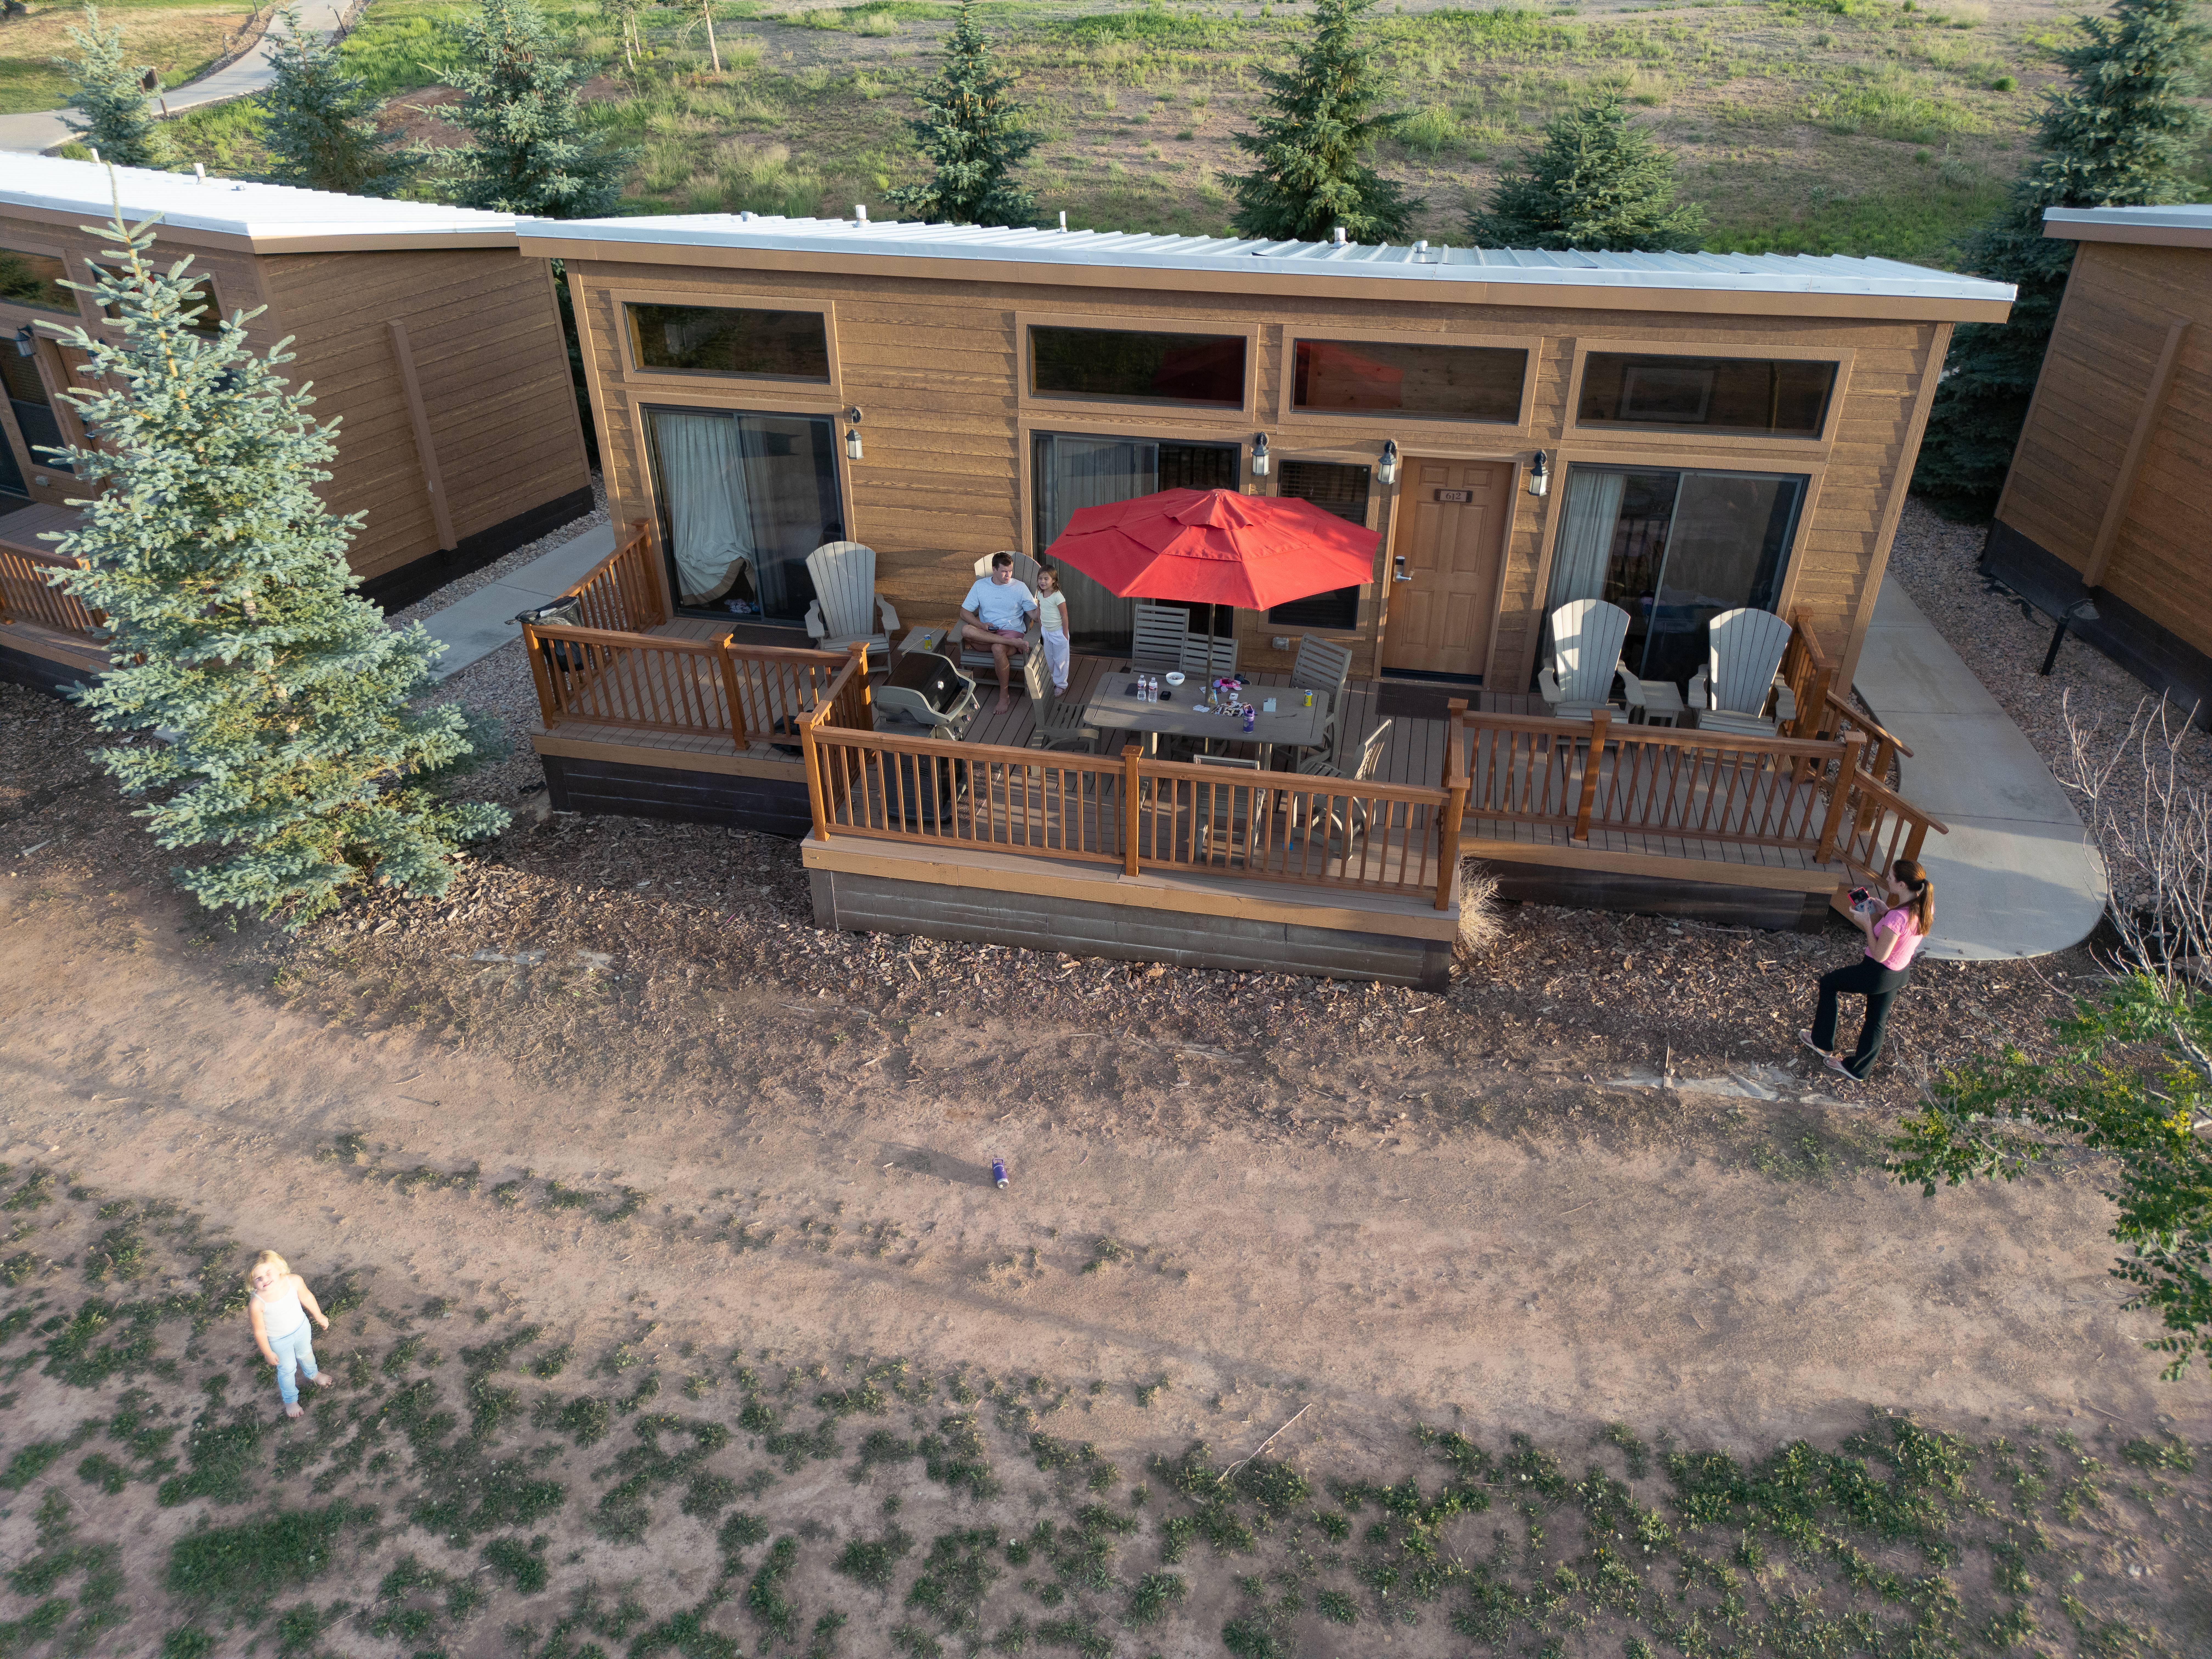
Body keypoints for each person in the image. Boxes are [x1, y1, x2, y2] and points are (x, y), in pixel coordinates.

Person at [1800, 857, 1934, 1082]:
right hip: (1899, 974)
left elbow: (1881, 954)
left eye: (1892, 877)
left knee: (1829, 983)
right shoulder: (1924, 906)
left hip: (1877, 973)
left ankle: (1822, 1043)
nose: (1888, 879)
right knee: (1876, 1021)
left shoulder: (1897, 918)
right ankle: (1858, 1070)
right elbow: (1903, 934)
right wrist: (1885, 912)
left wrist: (1867, 924)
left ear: (1902, 885)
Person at [246, 1249, 334, 1419]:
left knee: (306, 1353)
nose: (265, 1280)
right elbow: (259, 1331)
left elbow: (307, 1297)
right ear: (252, 1282)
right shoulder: (257, 1304)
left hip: (301, 1328)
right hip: (279, 1341)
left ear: (280, 1268)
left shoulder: (294, 1281)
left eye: (268, 1273)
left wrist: (319, 1315)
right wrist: (268, 1352)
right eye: (258, 1278)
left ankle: (313, 1374)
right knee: (287, 1369)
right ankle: (291, 1400)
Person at [957, 552, 1038, 715]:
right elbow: (964, 613)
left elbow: (1035, 616)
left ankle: (1004, 696)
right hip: (987, 634)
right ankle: (1013, 644)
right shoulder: (981, 586)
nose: (1008, 575)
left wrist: (1046, 600)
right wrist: (981, 625)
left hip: (1012, 633)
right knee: (966, 630)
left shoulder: (1020, 588)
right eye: (1004, 571)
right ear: (994, 569)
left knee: (998, 648)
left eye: (1010, 571)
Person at [1035, 566, 1071, 696]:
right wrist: (1041, 626)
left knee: (1061, 660)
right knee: (1049, 658)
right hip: (1046, 631)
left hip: (1058, 633)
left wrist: (1065, 634)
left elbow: (1065, 616)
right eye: (1040, 579)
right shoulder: (1040, 593)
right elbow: (1039, 609)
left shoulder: (1058, 597)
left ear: (1054, 581)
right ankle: (1052, 680)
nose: (1043, 582)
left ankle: (1061, 685)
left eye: (1046, 579)